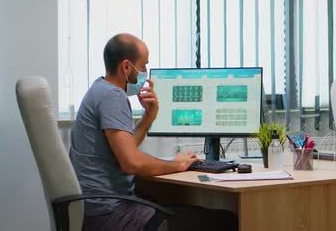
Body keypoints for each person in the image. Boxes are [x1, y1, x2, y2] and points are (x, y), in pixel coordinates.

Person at [69, 33, 237, 231]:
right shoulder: (112, 96)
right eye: (142, 66)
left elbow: (126, 150)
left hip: (94, 210)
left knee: (176, 206)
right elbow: (131, 162)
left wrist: (148, 117)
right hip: (111, 214)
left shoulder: (99, 89)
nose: (145, 73)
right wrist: (176, 164)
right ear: (126, 67)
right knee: (225, 220)